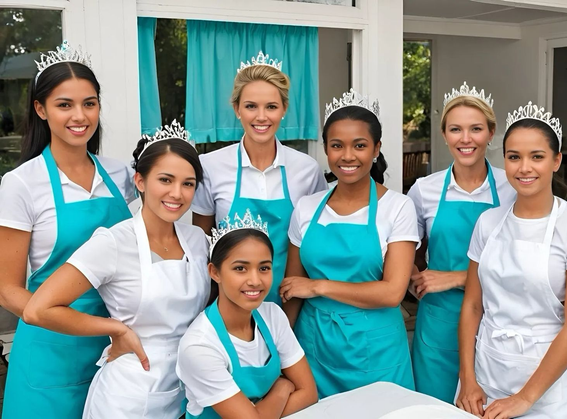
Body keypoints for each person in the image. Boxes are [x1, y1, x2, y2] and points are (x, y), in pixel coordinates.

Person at [23, 121, 211, 418]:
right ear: (139, 181)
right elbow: (38, 309)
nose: (177, 193)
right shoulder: (112, 242)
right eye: (165, 180)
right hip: (128, 397)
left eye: (188, 183)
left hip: (186, 390)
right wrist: (115, 328)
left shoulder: (198, 241)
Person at [0, 42, 134, 418]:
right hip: (51, 347)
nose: (80, 115)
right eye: (65, 105)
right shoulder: (21, 184)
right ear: (40, 110)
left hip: (114, 343)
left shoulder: (120, 175)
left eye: (89, 103)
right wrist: (75, 322)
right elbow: (7, 289)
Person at [456, 102, 567, 419]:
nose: (524, 168)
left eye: (537, 157)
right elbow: (472, 306)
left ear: (556, 160)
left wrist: (525, 398)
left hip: (549, 385)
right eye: (514, 157)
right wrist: (467, 378)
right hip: (487, 371)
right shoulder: (488, 223)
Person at [280, 90, 418, 398]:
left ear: (376, 149)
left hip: (377, 350)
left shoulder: (398, 207)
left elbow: (393, 292)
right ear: (326, 150)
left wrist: (319, 287)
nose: (347, 156)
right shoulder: (306, 208)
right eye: (337, 145)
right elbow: (292, 288)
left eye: (360, 145)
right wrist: (281, 348)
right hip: (313, 346)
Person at [408, 82, 515, 403]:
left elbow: (523, 262)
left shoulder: (512, 188)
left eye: (476, 129)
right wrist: (417, 281)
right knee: (435, 406)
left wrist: (455, 278)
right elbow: (405, 256)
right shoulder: (423, 190)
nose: (465, 139)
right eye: (456, 129)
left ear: (491, 133)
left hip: (498, 317)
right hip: (438, 323)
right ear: (444, 135)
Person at [192, 51, 327, 306]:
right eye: (251, 106)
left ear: (284, 109)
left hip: (290, 303)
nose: (261, 117)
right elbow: (202, 245)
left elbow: (312, 245)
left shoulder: (307, 170)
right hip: (228, 305)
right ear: (237, 109)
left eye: (271, 107)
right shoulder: (210, 167)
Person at [177, 210, 317, 418]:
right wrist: (282, 388)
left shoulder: (272, 315)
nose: (255, 280)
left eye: (264, 268)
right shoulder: (200, 346)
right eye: (240, 268)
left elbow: (309, 394)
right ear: (215, 272)